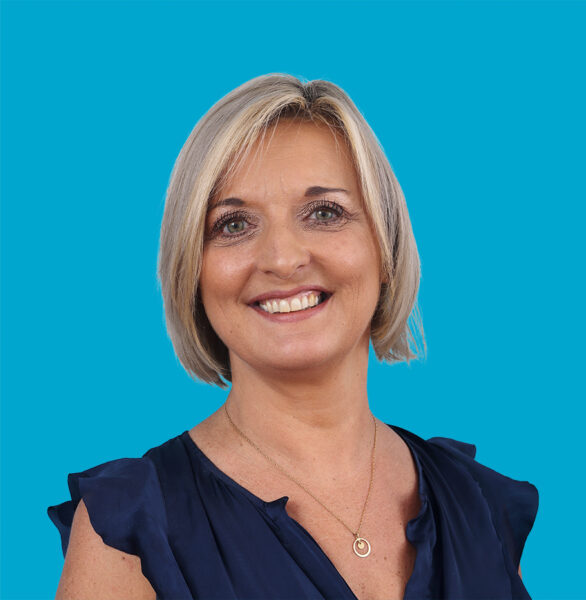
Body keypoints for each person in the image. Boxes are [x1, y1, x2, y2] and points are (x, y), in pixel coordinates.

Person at [47, 73, 539, 600]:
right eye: (234, 224)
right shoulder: (129, 533)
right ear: (193, 270)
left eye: (324, 213)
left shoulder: (475, 503)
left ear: (385, 247)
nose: (282, 259)